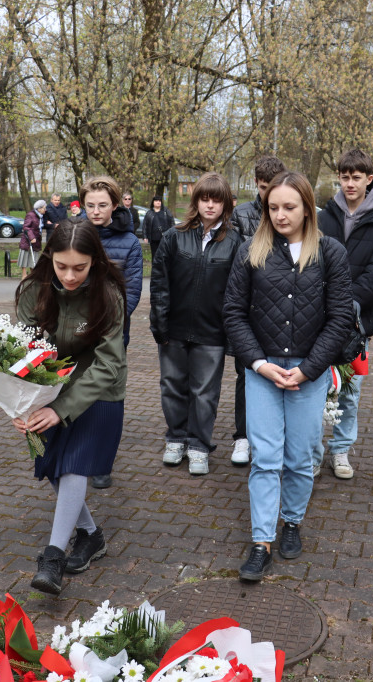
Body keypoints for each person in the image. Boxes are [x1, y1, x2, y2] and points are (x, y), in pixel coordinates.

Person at [223, 171, 352, 582]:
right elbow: (233, 313)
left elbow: (339, 318)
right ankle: (262, 541)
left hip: (308, 371)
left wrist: (310, 368)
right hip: (262, 369)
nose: (280, 214)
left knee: (299, 456)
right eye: (273, 207)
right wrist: (259, 364)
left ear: (307, 208)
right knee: (265, 456)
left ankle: (292, 522)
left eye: (289, 207)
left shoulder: (330, 253)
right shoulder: (251, 250)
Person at [12, 219, 127, 595]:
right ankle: (91, 535)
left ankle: (52, 558)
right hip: (52, 385)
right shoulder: (33, 291)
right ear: (50, 259)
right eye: (62, 267)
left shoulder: (109, 294)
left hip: (100, 387)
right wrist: (18, 402)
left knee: (74, 463)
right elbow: (22, 353)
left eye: (80, 267)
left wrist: (63, 411)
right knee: (52, 465)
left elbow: (109, 364)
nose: (71, 275)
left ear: (95, 260)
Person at [150, 172, 243, 476]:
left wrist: (230, 334)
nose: (210, 205)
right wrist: (159, 324)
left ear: (226, 203)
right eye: (205, 198)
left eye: (216, 199)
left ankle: (200, 445)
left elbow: (237, 293)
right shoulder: (173, 236)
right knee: (172, 387)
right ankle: (176, 438)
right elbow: (160, 285)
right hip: (174, 329)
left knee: (205, 392)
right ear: (196, 200)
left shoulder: (234, 242)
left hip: (211, 332)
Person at [315, 148, 373, 480]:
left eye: (356, 177)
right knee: (317, 388)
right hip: (318, 319)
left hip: (358, 325)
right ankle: (313, 452)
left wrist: (346, 303)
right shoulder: (323, 217)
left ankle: (341, 450)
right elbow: (312, 259)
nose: (350, 183)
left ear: (369, 179)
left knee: (349, 388)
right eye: (345, 177)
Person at [77, 176, 144, 489]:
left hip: (113, 336)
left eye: (102, 205)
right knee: (75, 396)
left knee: (108, 400)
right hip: (73, 335)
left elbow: (130, 293)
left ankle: (102, 462)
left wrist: (104, 327)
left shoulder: (130, 243)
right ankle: (79, 455)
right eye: (90, 205)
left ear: (115, 205)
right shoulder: (73, 234)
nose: (95, 211)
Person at [228, 155, 287, 466]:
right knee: (246, 373)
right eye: (263, 188)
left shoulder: (291, 214)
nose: (267, 195)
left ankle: (275, 439)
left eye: (273, 187)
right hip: (250, 309)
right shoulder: (241, 215)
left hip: (282, 309)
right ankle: (243, 436)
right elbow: (234, 265)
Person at [142, 196, 175, 263]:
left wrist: (172, 233)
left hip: (165, 238)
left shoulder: (166, 211)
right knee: (154, 255)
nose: (158, 202)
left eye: (159, 201)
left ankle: (163, 270)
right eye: (156, 201)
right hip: (153, 239)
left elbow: (172, 222)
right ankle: (155, 270)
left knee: (164, 255)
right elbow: (145, 225)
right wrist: (145, 236)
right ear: (153, 202)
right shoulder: (149, 213)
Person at [19, 200, 44, 278]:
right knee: (25, 257)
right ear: (39, 208)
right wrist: (31, 237)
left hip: (36, 240)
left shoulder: (40, 216)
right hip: (28, 240)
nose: (45, 209)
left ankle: (32, 275)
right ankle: (24, 275)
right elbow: (26, 227)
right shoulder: (31, 215)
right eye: (44, 208)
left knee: (34, 259)